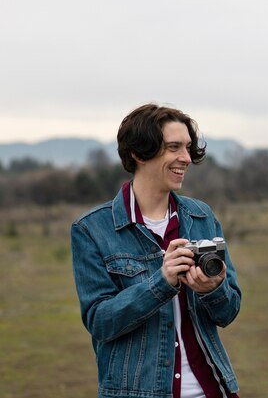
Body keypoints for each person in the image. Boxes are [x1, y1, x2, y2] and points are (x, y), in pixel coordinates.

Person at [71, 103, 242, 398]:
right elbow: (100, 322)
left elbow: (228, 312)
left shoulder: (202, 217)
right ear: (139, 153)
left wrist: (212, 289)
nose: (186, 158)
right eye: (173, 147)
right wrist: (161, 283)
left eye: (188, 148)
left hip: (212, 388)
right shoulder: (92, 229)